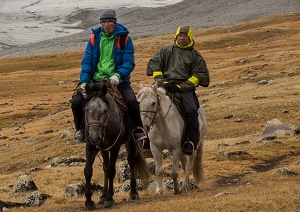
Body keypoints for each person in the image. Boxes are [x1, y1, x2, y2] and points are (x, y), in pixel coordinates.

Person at [71, 9, 144, 147]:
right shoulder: (94, 38)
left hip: (117, 81)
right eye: (103, 21)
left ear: (114, 22)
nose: (106, 24)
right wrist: (85, 81)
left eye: (109, 21)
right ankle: (80, 130)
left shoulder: (124, 38)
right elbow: (87, 61)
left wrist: (118, 75)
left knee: (131, 101)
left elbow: (129, 61)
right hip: (96, 81)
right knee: (76, 102)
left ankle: (137, 129)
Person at [146, 26, 210, 156]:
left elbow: (198, 75)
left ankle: (190, 142)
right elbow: (155, 64)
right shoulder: (166, 51)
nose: (182, 38)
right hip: (164, 85)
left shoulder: (195, 56)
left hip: (184, 89)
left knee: (191, 110)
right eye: (179, 36)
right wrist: (162, 82)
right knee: (145, 103)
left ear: (190, 38)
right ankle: (145, 138)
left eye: (185, 36)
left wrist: (181, 87)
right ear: (176, 37)